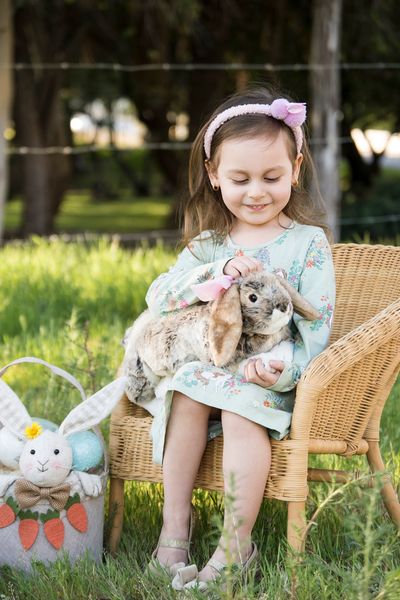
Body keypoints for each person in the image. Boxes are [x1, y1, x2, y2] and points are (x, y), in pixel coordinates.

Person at [143, 85, 335, 590]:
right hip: (210, 368)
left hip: (269, 380)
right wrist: (214, 273)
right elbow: (158, 297)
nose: (256, 192)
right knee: (185, 389)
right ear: (213, 176)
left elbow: (317, 324)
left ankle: (235, 548)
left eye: (272, 177)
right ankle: (173, 536)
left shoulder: (307, 245)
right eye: (240, 178)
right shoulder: (209, 245)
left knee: (239, 404)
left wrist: (283, 367)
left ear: (295, 170)